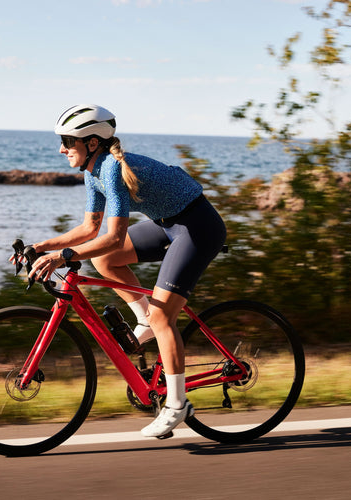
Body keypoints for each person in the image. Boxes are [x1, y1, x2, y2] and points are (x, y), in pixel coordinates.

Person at [26, 104, 227, 438]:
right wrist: (42, 247)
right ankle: (145, 318)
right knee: (105, 261)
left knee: (166, 318)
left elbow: (114, 236)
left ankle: (177, 405)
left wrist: (63, 258)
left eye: (67, 141)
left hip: (198, 227)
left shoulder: (112, 170)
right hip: (167, 224)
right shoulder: (93, 171)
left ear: (92, 143)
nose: (62, 149)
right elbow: (90, 229)